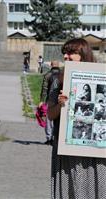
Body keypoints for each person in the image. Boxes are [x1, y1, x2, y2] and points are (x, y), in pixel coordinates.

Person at [47, 38, 106, 199]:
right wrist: (60, 104)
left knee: (97, 189)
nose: (66, 56)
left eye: (71, 53)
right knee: (69, 191)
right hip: (68, 149)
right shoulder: (58, 81)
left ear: (83, 54)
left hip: (95, 151)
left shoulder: (102, 77)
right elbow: (50, 115)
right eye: (64, 53)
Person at [39, 60, 60, 145]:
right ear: (58, 65)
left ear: (51, 65)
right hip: (60, 101)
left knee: (49, 120)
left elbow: (44, 89)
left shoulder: (48, 75)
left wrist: (41, 101)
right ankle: (56, 138)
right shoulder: (63, 74)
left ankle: (49, 138)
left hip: (50, 101)